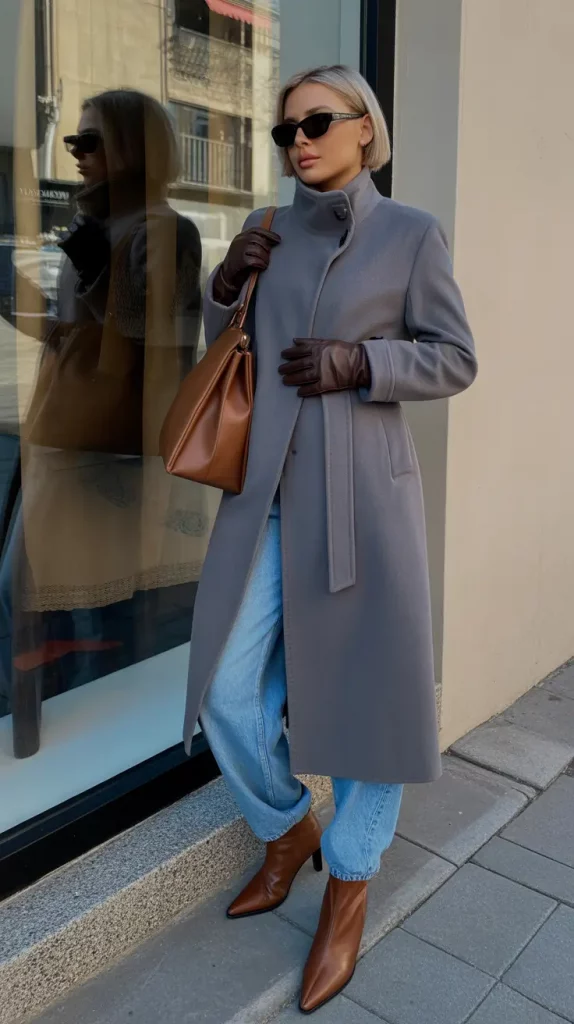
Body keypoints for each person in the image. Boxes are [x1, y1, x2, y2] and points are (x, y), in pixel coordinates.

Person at [183, 65, 477, 1015]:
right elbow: (235, 345)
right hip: (265, 494)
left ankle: (348, 887)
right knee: (226, 689)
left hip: (361, 504)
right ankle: (286, 828)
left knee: (365, 701)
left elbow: (455, 356)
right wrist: (225, 287)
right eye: (285, 131)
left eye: (315, 123)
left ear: (364, 130)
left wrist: (361, 362)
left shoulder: (411, 234)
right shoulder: (270, 229)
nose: (298, 140)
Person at [0, 89, 206, 755]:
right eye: (74, 142)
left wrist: (90, 275)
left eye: (90, 142)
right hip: (70, 434)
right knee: (57, 593)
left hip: (113, 449)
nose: (77, 155)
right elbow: (90, 336)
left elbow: (160, 343)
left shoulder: (163, 230)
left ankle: (98, 739)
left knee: (76, 595)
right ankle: (67, 723)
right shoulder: (105, 225)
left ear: (133, 149)